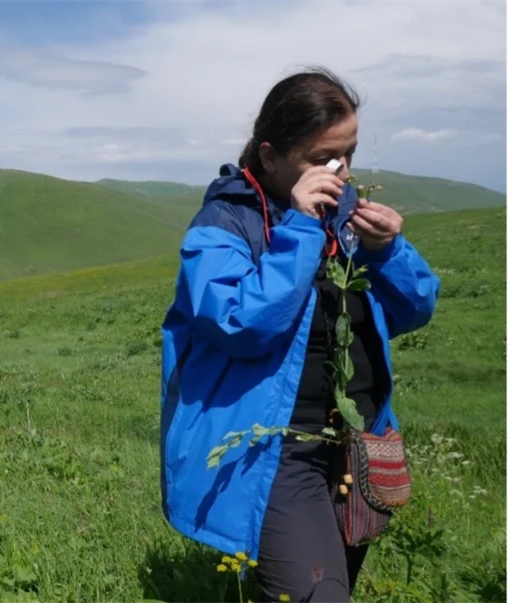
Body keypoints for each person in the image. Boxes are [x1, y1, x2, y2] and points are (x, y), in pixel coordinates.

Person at [158, 67, 440, 602]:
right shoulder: (223, 224)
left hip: (353, 443)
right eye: (322, 158)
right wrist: (302, 231)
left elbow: (413, 310)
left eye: (349, 154)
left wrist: (387, 251)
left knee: (327, 587)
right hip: (274, 449)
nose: (340, 170)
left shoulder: (346, 218)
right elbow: (240, 323)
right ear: (269, 156)